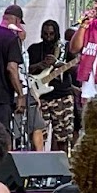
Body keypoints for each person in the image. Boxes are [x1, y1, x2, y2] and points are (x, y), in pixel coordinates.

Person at [27, 19, 76, 150]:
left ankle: (59, 167)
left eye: (51, 34)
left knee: (62, 137)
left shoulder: (66, 50)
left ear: (57, 34)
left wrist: (58, 63)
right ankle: (38, 166)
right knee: (37, 136)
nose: (48, 37)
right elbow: (25, 69)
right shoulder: (34, 49)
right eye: (45, 34)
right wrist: (39, 65)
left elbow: (76, 69)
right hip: (40, 97)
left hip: (62, 95)